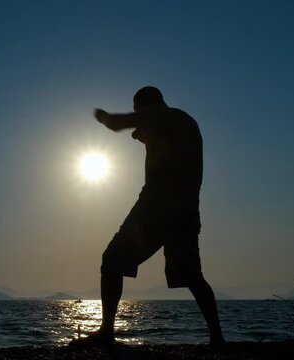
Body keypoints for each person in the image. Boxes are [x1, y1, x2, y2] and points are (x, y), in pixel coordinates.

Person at [71, 86, 225, 347]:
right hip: (186, 209)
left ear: (144, 106)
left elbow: (115, 123)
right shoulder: (186, 122)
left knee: (112, 260)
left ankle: (107, 332)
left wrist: (101, 116)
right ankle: (217, 337)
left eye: (138, 110)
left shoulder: (155, 115)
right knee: (192, 275)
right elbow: (171, 150)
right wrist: (146, 138)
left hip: (156, 206)